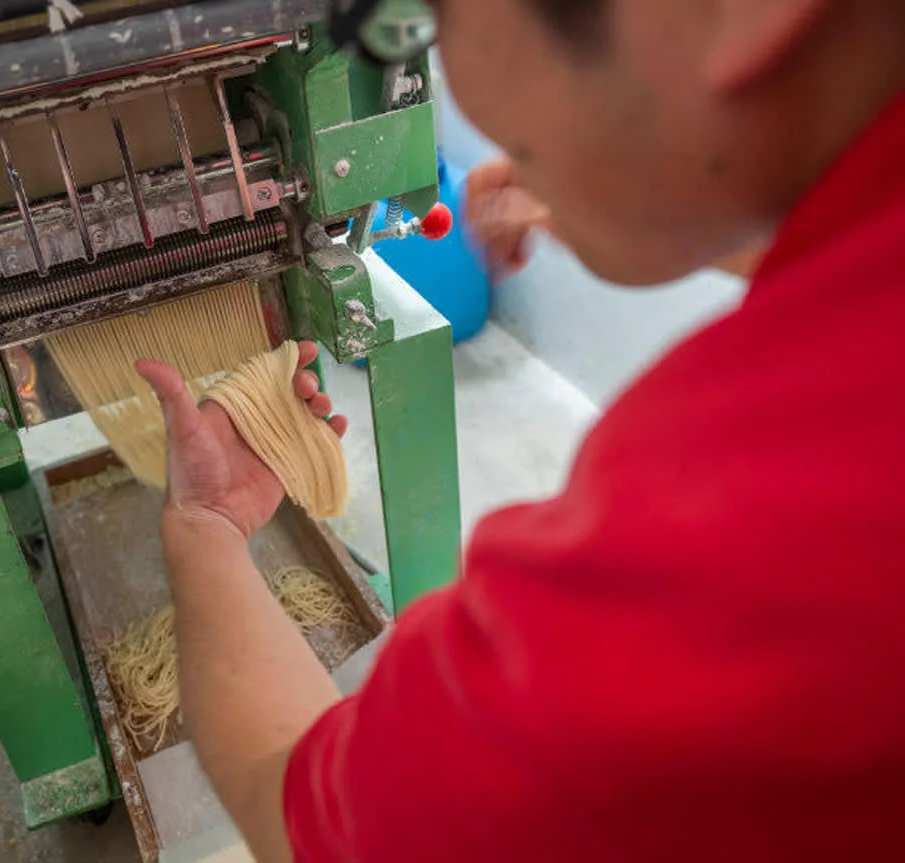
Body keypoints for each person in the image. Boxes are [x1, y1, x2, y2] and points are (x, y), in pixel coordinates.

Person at [135, 0, 905, 859]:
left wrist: (203, 527)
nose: (449, 76)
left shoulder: (736, 521)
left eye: (426, 23)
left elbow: (305, 813)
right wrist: (631, 183)